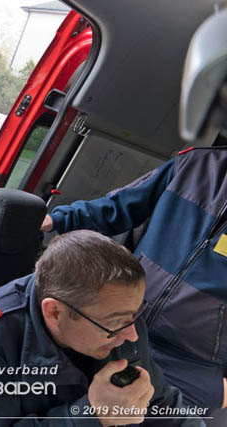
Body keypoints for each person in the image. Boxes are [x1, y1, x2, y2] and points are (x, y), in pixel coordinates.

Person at [38, 11, 227, 411]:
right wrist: (56, 218)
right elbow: (118, 208)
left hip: (198, 366)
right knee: (83, 411)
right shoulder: (193, 165)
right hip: (124, 328)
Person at [0, 230, 205, 426]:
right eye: (115, 323)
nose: (132, 335)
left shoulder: (121, 316)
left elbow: (162, 401)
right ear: (55, 312)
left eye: (134, 315)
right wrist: (90, 415)